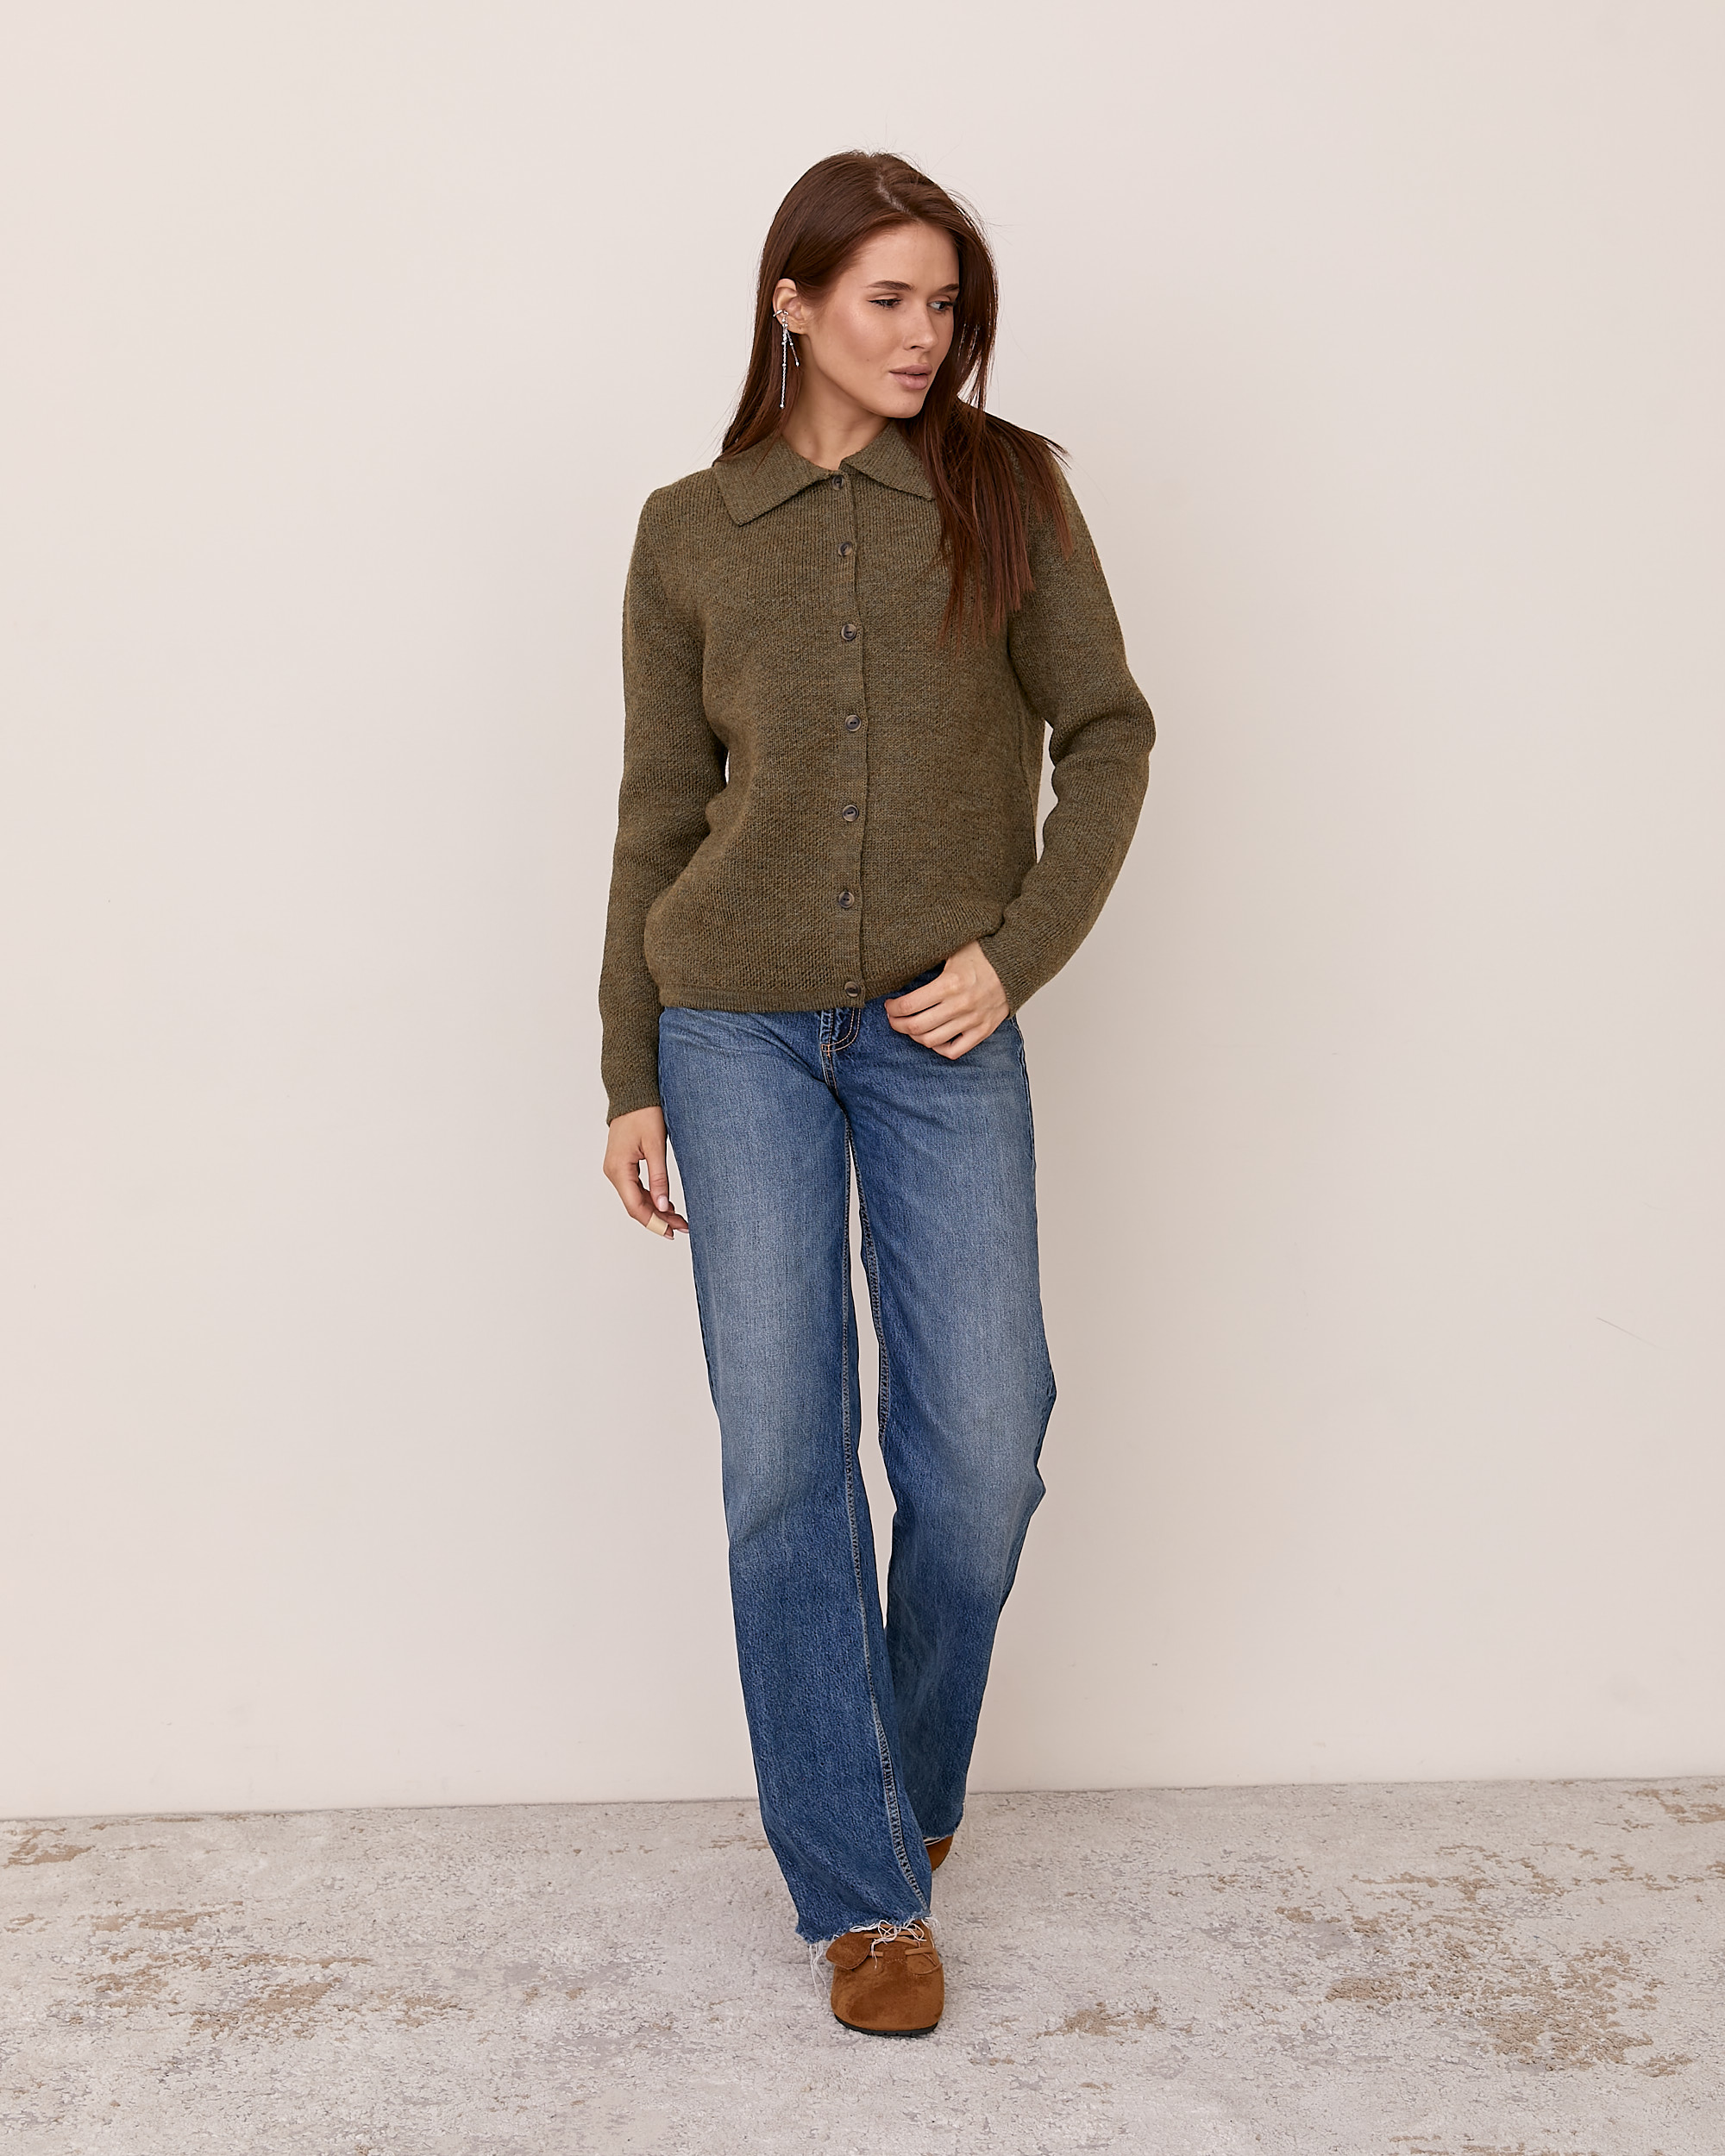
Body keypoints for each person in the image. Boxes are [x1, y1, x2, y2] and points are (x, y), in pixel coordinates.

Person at [599, 150, 1155, 2035]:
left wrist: (1017, 949)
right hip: (731, 1027)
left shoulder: (1007, 492)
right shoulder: (690, 529)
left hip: (941, 1029)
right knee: (783, 1455)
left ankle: (892, 1784)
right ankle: (862, 1891)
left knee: (984, 1447)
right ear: (795, 302)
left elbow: (1109, 731)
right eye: (888, 299)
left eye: (946, 304)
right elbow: (657, 812)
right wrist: (627, 1065)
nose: (925, 336)